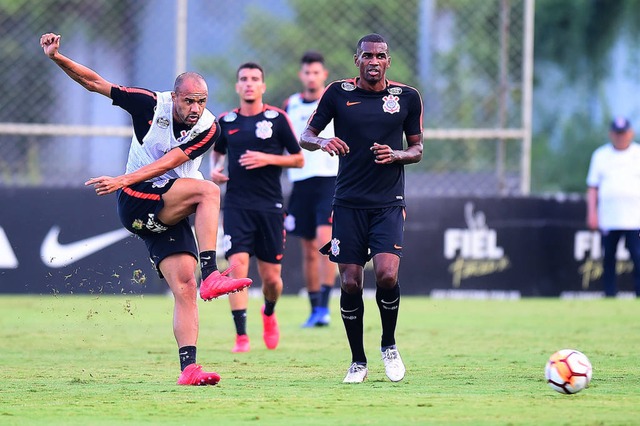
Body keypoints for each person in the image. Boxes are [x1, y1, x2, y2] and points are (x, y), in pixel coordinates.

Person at [40, 32, 252, 386]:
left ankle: (189, 369)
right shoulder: (150, 105)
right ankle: (213, 272)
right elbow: (95, 83)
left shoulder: (208, 127)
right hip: (137, 199)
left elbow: (170, 161)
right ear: (175, 97)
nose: (196, 108)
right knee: (209, 192)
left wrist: (121, 178)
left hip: (169, 205)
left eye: (202, 101)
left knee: (185, 286)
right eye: (189, 101)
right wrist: (57, 58)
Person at [300, 33, 423, 383]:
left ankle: (389, 345)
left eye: (380, 56)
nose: (374, 61)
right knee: (351, 282)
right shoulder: (338, 93)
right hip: (348, 203)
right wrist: (323, 140)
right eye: (367, 55)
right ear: (357, 60)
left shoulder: (406, 97)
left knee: (386, 274)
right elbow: (305, 136)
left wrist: (396, 154)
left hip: (387, 203)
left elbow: (417, 149)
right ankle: (358, 360)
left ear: (388, 60)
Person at [210, 62, 304, 353]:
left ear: (263, 86)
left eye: (254, 79)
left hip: (271, 208)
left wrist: (267, 159)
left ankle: (269, 312)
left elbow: (299, 159)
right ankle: (241, 336)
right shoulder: (226, 122)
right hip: (237, 206)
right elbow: (217, 151)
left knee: (272, 279)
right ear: (237, 87)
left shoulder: (277, 119)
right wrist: (215, 169)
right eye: (243, 79)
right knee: (237, 270)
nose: (249, 84)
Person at [282, 51, 339, 328]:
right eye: (307, 72)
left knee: (323, 241)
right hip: (300, 181)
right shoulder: (291, 104)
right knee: (307, 249)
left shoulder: (333, 101)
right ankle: (315, 307)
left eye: (317, 72)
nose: (312, 77)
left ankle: (326, 307)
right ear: (301, 75)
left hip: (329, 179)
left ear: (324, 75)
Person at [586, 117, 640, 297]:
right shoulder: (600, 155)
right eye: (617, 134)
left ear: (630, 133)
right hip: (609, 217)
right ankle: (610, 294)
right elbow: (593, 187)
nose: (620, 137)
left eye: (623, 133)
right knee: (608, 257)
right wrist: (592, 213)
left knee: (638, 257)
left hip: (635, 218)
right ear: (611, 134)